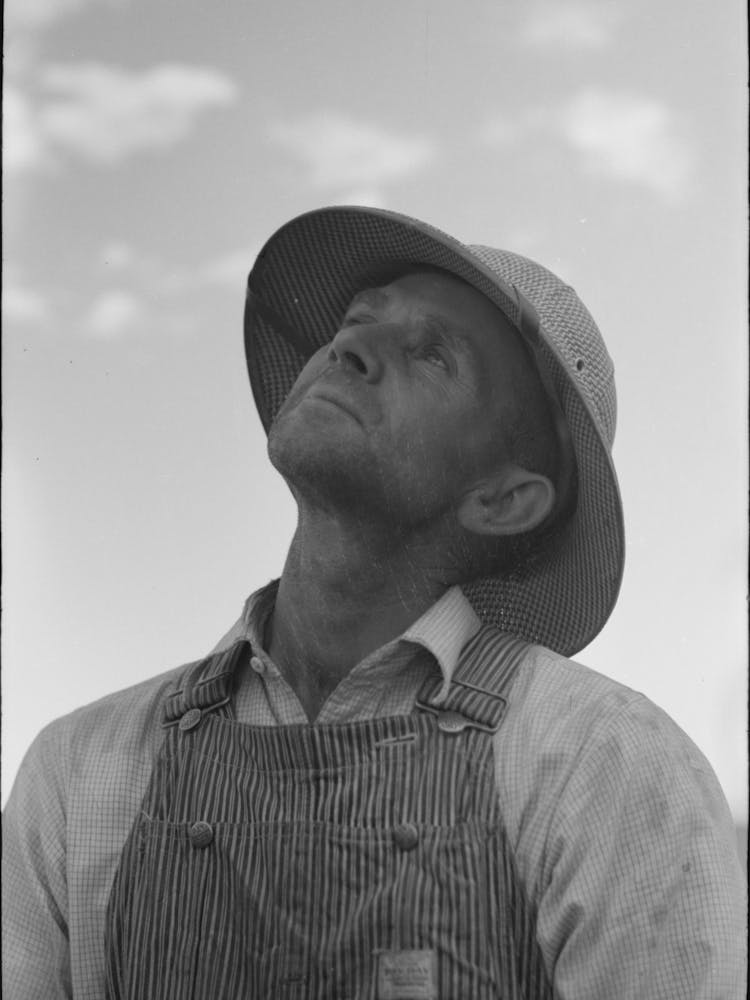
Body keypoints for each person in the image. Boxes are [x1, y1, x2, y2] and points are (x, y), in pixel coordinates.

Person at [2, 206, 745, 999]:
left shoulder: (606, 769)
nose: (349, 346)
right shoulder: (77, 770)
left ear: (503, 500)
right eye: (357, 321)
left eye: (431, 355)